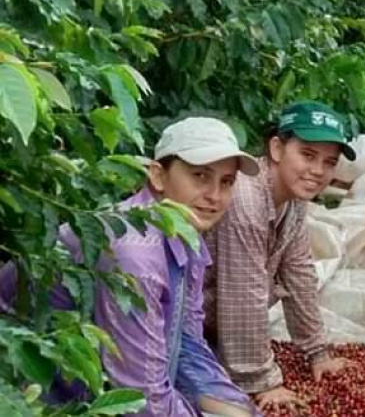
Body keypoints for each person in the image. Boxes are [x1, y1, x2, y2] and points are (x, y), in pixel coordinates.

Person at [1, 116, 263, 417]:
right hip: (22, 383)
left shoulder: (185, 238)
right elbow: (144, 400)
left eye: (226, 182)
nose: (215, 196)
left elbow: (187, 346)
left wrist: (244, 410)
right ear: (158, 176)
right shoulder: (135, 256)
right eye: (200, 176)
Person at [203, 101, 356, 414]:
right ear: (276, 148)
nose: (318, 171)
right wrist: (264, 381)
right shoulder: (245, 199)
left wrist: (317, 352)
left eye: (329, 162)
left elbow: (300, 273)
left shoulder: (294, 200)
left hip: (216, 320)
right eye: (308, 155)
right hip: (183, 317)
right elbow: (243, 295)